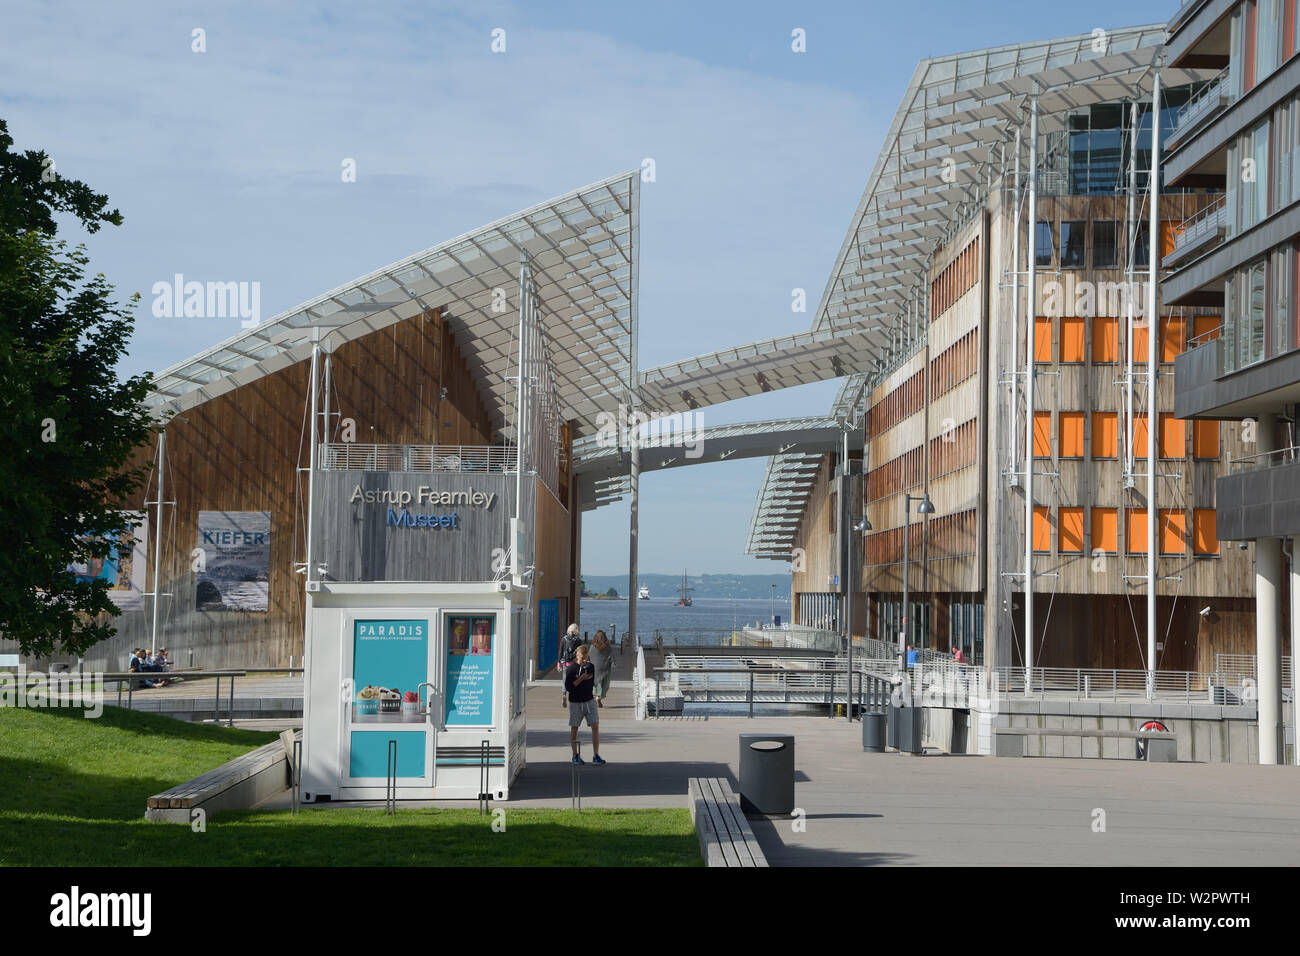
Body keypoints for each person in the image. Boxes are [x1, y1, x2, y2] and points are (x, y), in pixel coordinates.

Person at [565, 645, 604, 765]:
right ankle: (575, 755)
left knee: (595, 725)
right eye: (583, 657)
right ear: (577, 655)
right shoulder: (571, 668)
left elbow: (590, 679)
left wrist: (583, 678)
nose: (585, 660)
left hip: (589, 701)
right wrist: (581, 679)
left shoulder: (590, 666)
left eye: (586, 657)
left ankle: (596, 755)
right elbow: (569, 687)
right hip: (575, 702)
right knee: (574, 727)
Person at [557, 623, 585, 707]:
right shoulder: (578, 640)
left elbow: (560, 652)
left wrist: (559, 664)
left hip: (565, 663)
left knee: (565, 680)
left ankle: (564, 695)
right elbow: (581, 653)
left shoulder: (564, 639)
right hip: (575, 664)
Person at [588, 629, 614, 708]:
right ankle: (600, 697)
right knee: (605, 685)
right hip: (605, 668)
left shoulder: (592, 647)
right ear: (605, 637)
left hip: (594, 668)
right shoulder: (608, 647)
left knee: (596, 684)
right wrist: (613, 663)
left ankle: (596, 696)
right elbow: (611, 657)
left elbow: (589, 657)